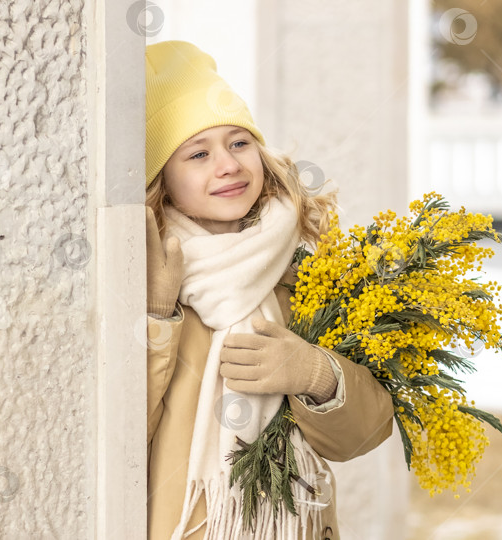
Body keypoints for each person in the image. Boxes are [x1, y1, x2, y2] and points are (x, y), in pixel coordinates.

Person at [144, 40, 394, 540]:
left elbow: (364, 434)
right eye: (198, 153)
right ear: (163, 180)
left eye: (239, 143)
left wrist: (316, 374)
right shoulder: (150, 275)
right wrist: (154, 315)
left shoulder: (304, 272)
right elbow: (112, 430)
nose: (229, 165)